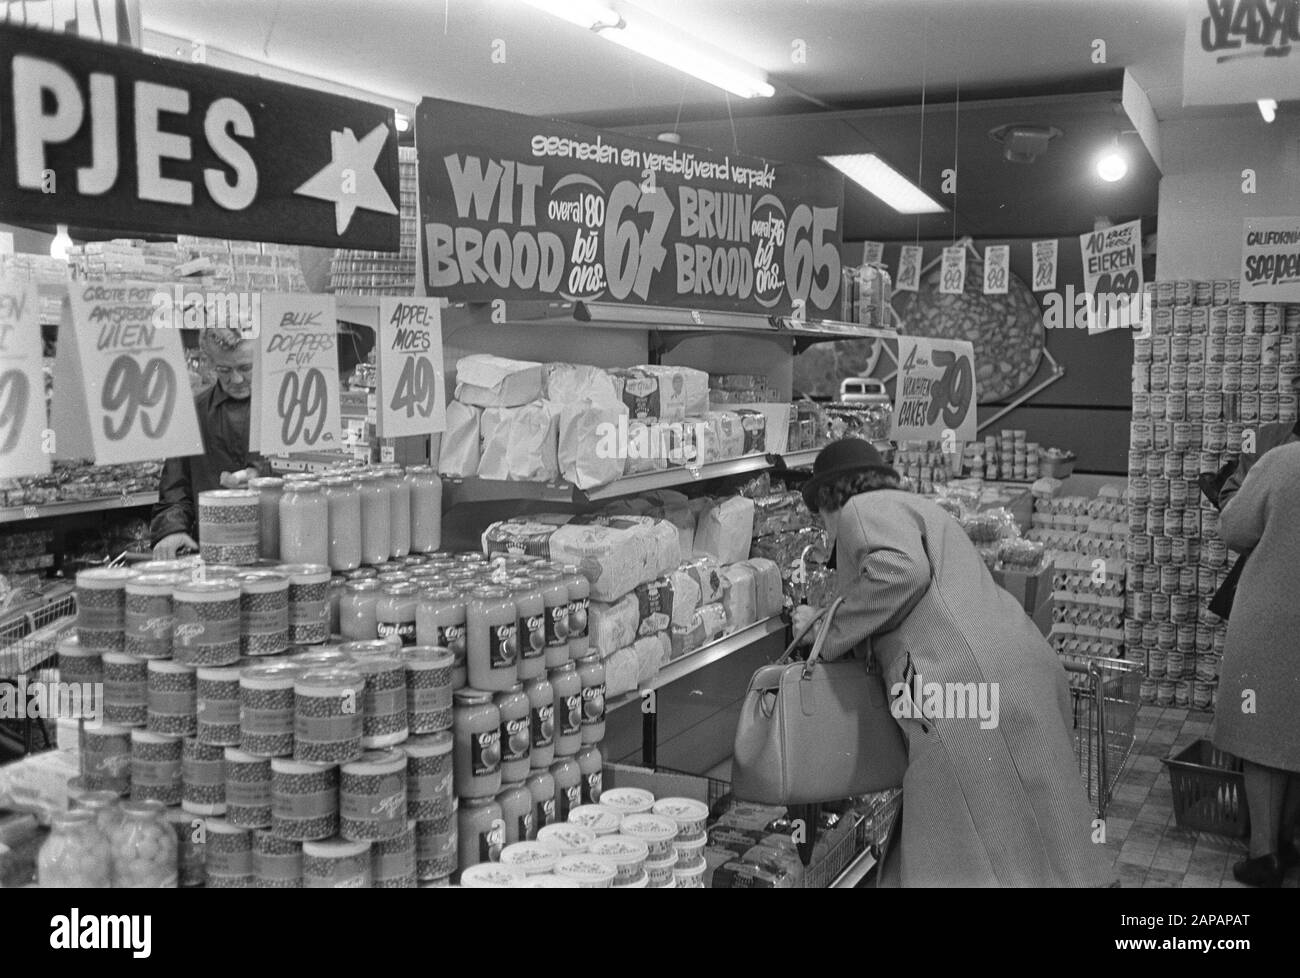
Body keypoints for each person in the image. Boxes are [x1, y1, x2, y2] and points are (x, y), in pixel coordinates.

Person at [791, 439, 1114, 887]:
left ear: (830, 497)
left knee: (956, 842)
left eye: (818, 514)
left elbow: (902, 573)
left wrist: (822, 628)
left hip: (959, 682)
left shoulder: (858, 510)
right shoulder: (918, 507)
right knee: (1044, 828)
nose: (825, 529)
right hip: (1019, 663)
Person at [1211, 442, 1300, 887]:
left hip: (1273, 619)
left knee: (1262, 731)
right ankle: (1288, 840)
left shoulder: (1282, 461)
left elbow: (1235, 529)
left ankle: (1265, 854)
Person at [150, 328, 267, 558]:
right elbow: (175, 486)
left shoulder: (287, 409)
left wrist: (264, 477)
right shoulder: (192, 412)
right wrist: (171, 530)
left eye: (246, 368)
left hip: (276, 544)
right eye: (224, 369)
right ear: (209, 363)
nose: (236, 379)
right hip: (213, 550)